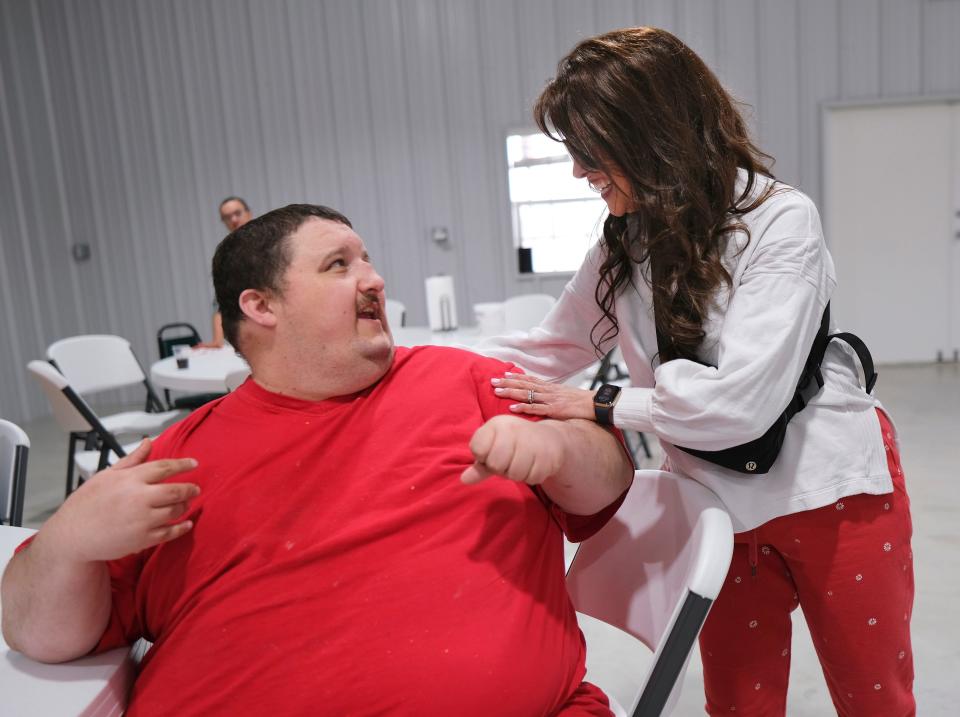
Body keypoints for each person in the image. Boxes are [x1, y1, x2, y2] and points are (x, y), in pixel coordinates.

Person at [2, 204, 633, 716]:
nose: (375, 278)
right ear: (261, 306)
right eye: (338, 264)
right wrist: (67, 543)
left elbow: (609, 481)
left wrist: (558, 447)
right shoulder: (180, 456)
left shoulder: (468, 379)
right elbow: (41, 638)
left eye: (368, 259)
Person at [477, 28, 914, 717]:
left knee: (874, 699)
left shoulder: (778, 221)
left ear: (654, 135)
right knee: (738, 703)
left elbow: (742, 404)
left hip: (830, 492)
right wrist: (412, 368)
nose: (578, 173)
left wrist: (602, 403)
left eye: (590, 153)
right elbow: (548, 346)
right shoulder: (626, 238)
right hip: (717, 508)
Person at [198, 196, 255, 348]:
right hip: (248, 333)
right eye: (227, 217)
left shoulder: (272, 244)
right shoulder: (226, 256)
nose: (234, 219)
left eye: (237, 213)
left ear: (249, 213)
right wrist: (218, 341)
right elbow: (219, 303)